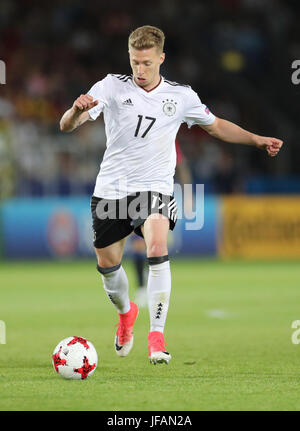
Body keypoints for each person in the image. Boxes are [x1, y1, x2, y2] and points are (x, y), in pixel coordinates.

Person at [59, 25, 283, 365]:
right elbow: (66, 126)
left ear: (161, 58)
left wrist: (256, 139)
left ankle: (157, 336)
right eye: (135, 62)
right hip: (111, 190)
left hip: (155, 187)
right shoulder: (109, 86)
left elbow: (217, 125)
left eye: (147, 63)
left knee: (157, 245)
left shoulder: (181, 96)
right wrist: (76, 110)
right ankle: (126, 314)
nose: (140, 70)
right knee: (108, 266)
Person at [131, 139, 193, 309]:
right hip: (135, 193)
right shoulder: (136, 132)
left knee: (154, 245)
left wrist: (188, 196)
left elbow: (182, 166)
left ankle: (151, 288)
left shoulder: (168, 134)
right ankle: (142, 287)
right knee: (138, 244)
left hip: (160, 195)